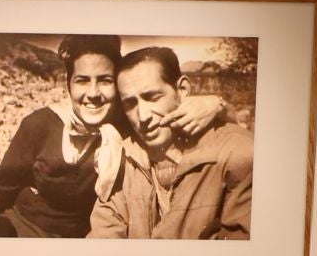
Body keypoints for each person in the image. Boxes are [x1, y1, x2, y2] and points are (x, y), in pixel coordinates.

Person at [0, 34, 224, 238]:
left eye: (104, 81)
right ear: (68, 85)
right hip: (23, 229)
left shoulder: (132, 126)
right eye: (82, 81)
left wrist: (216, 103)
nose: (93, 93)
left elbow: (182, 119)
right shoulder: (40, 124)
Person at [90, 45, 253, 239]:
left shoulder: (234, 151)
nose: (143, 116)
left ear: (182, 89)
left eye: (152, 97)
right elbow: (103, 237)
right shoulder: (121, 159)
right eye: (130, 103)